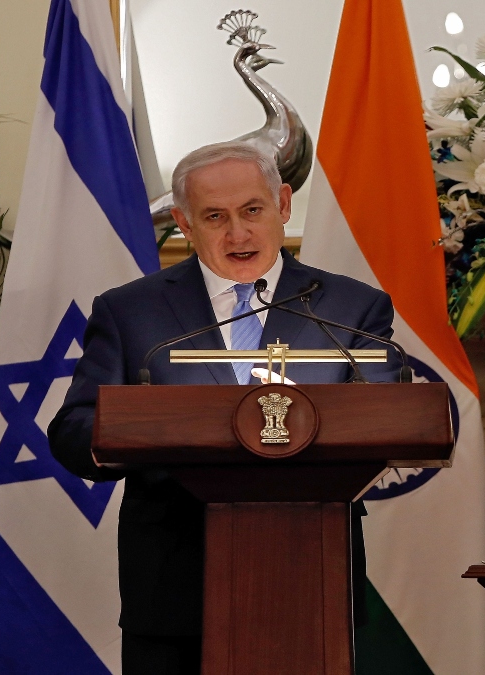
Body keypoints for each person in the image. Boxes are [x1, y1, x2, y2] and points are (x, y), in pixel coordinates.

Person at [48, 141, 398, 674]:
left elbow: (387, 418)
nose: (238, 234)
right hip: (172, 591)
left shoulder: (352, 308)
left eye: (252, 211)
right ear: (185, 225)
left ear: (282, 204)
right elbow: (72, 431)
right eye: (215, 217)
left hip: (312, 581)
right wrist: (147, 428)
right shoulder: (129, 312)